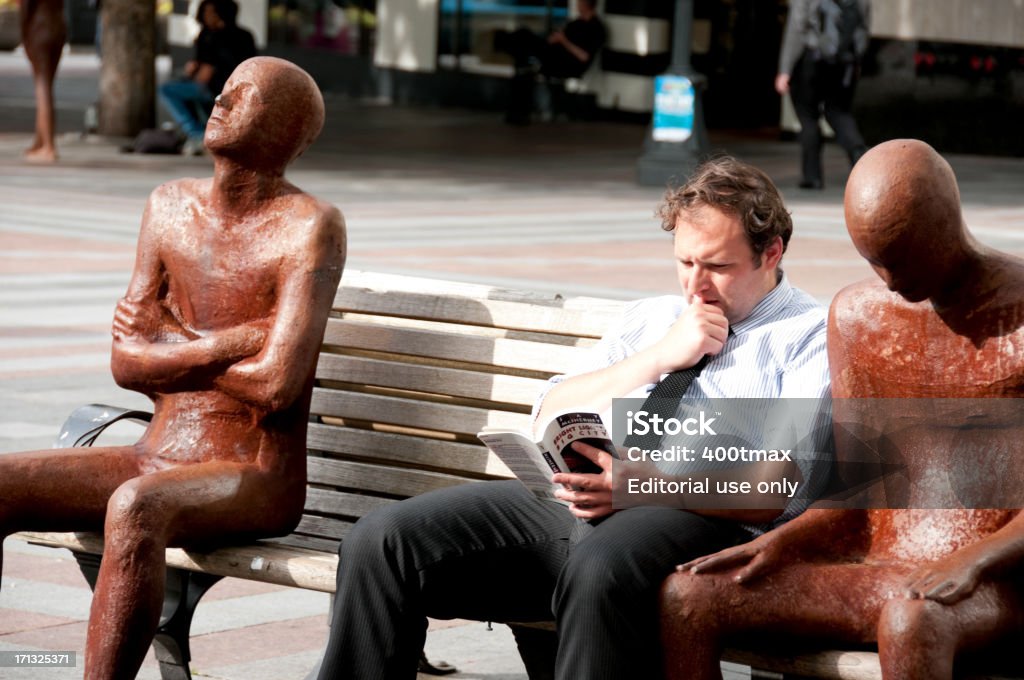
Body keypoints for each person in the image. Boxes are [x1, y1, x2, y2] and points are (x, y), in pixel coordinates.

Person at [314, 156, 832, 680]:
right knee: (381, 542)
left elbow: (779, 486)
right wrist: (658, 357)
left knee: (600, 567)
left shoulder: (809, 337)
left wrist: (650, 488)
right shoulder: (653, 318)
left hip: (703, 524)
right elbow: (552, 408)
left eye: (718, 267)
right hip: (579, 507)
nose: (695, 285)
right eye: (684, 262)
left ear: (771, 253)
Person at [0, 57, 345, 680]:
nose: (221, 98)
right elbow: (126, 364)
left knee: (137, 506)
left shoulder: (310, 226)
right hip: (156, 450)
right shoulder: (168, 207)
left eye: (246, 94)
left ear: (287, 129)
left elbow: (275, 385)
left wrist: (173, 344)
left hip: (254, 475)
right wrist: (224, 344)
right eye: (226, 86)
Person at [661, 139, 1024, 680]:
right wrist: (778, 544)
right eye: (875, 261)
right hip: (879, 569)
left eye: (904, 256)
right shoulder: (859, 316)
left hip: (993, 578)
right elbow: (854, 488)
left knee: (910, 620)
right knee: (687, 594)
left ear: (948, 225)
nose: (893, 281)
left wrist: (971, 558)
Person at [776, 0, 870, 189]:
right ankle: (860, 156)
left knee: (807, 116)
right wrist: (856, 61)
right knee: (839, 112)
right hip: (844, 64)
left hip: (811, 60)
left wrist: (785, 70)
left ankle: (813, 176)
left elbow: (796, 31)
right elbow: (864, 28)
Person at [158, 0, 256, 156]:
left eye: (211, 12)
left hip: (219, 87)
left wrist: (197, 74)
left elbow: (207, 72)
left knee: (167, 90)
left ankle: (195, 133)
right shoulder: (209, 34)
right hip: (217, 85)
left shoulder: (225, 36)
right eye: (205, 12)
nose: (207, 16)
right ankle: (199, 130)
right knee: (182, 88)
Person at [494, 0, 605, 125]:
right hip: (554, 55)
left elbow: (584, 57)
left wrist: (564, 41)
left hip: (568, 63)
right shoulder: (576, 23)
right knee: (522, 61)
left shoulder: (596, 28)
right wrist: (555, 40)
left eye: (580, 3)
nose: (578, 5)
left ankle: (500, 45)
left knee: (524, 38)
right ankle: (517, 113)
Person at [19, 0, 66, 163]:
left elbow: (27, 4)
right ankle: (40, 141)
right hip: (58, 25)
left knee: (42, 86)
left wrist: (24, 31)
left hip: (39, 26)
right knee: (47, 85)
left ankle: (48, 145)